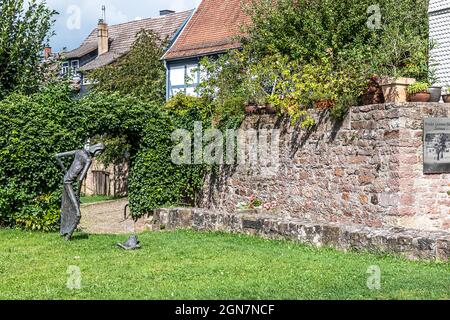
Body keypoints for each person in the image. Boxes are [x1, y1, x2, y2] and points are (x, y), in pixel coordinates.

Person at [55, 143, 105, 240]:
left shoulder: (78, 152)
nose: (99, 155)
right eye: (100, 152)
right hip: (68, 184)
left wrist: (66, 172)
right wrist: (77, 194)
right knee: (78, 213)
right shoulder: (88, 160)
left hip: (66, 181)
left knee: (67, 207)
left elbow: (57, 156)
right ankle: (68, 237)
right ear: (95, 150)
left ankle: (66, 232)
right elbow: (81, 179)